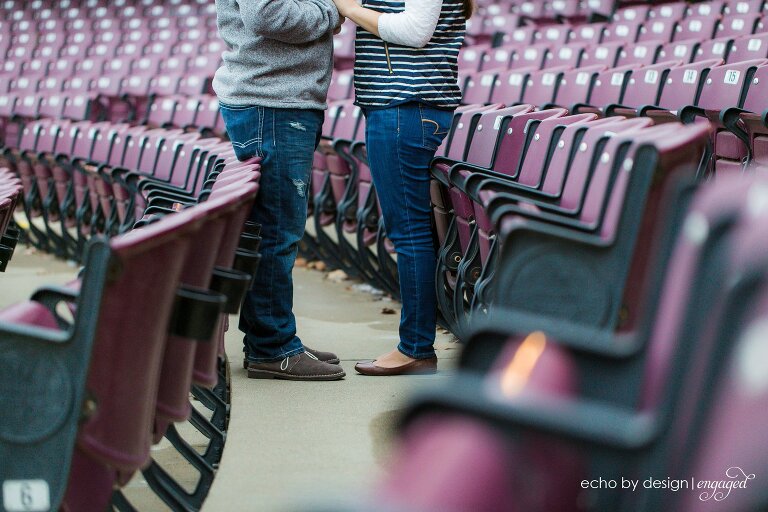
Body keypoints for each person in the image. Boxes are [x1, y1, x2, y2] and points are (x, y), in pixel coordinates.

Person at [331, 0, 472, 375]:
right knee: (412, 231)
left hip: (404, 108)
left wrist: (347, 6)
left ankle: (415, 347)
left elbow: (414, 31)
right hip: (402, 108)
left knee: (408, 232)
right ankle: (416, 343)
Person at [213, 0, 347, 381]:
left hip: (276, 99)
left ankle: (271, 337)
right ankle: (273, 347)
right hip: (272, 101)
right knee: (276, 230)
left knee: (272, 227)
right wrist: (332, 11)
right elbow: (267, 14)